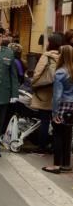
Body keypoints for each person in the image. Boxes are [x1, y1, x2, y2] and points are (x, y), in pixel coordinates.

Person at [42, 45, 73, 174]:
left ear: (62, 55)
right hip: (72, 106)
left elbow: (57, 96)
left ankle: (56, 165)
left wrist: (54, 113)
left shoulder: (60, 72)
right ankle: (66, 164)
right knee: (68, 134)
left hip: (62, 106)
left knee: (58, 135)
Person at [30, 33, 63, 153]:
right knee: (56, 121)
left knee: (44, 121)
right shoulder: (63, 56)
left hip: (44, 93)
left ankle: (41, 146)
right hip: (58, 93)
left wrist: (33, 84)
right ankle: (55, 146)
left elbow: (37, 73)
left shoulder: (47, 56)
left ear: (51, 43)